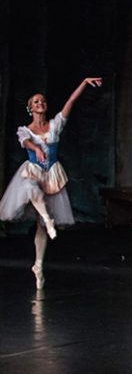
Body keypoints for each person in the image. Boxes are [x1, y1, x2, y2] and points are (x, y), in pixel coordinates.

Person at [0, 77, 102, 288]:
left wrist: (84, 83)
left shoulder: (55, 126)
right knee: (30, 188)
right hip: (33, 172)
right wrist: (36, 148)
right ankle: (48, 218)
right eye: (36, 102)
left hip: (51, 174)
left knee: (40, 226)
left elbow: (70, 102)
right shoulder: (25, 130)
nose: (41, 103)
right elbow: (26, 142)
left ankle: (38, 266)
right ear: (30, 108)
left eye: (43, 101)